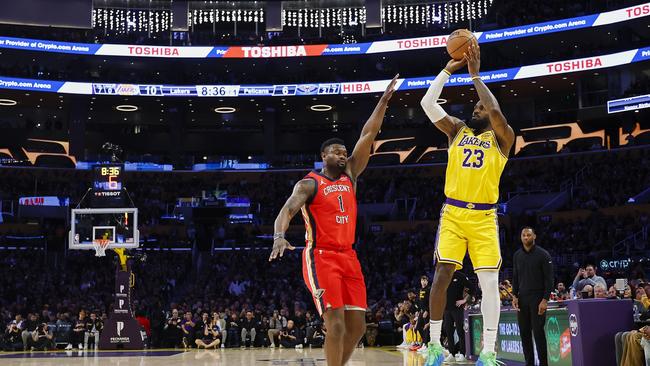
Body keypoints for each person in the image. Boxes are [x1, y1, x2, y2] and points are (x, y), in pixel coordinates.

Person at [269, 75, 399, 366]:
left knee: (358, 328)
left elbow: (369, 133)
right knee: (336, 325)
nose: (342, 155)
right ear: (323, 156)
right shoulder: (309, 184)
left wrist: (383, 102)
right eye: (336, 152)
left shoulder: (350, 174)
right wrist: (279, 236)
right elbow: (286, 211)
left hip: (349, 256)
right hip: (321, 256)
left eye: (344, 152)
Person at [420, 39, 515, 366]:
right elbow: (427, 104)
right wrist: (448, 69)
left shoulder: (503, 138)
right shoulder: (457, 130)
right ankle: (434, 345)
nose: (476, 110)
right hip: (453, 214)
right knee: (442, 274)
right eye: (475, 108)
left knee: (489, 283)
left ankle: (488, 352)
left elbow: (497, 112)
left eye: (481, 109)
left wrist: (476, 77)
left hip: (485, 218)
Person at [512, 227, 554, 366]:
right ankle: (529, 363)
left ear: (534, 236)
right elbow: (515, 277)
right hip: (522, 298)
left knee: (538, 333)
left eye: (528, 235)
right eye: (523, 235)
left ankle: (543, 364)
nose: (525, 237)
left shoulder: (543, 254)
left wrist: (545, 299)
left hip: (538, 297)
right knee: (524, 333)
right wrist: (514, 296)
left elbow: (549, 279)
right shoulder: (517, 255)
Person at [443, 270, 473, 363]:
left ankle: (463, 354)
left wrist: (464, 300)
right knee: (448, 331)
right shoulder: (444, 275)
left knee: (460, 331)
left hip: (457, 308)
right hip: (447, 309)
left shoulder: (460, 276)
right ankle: (451, 353)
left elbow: (472, 288)